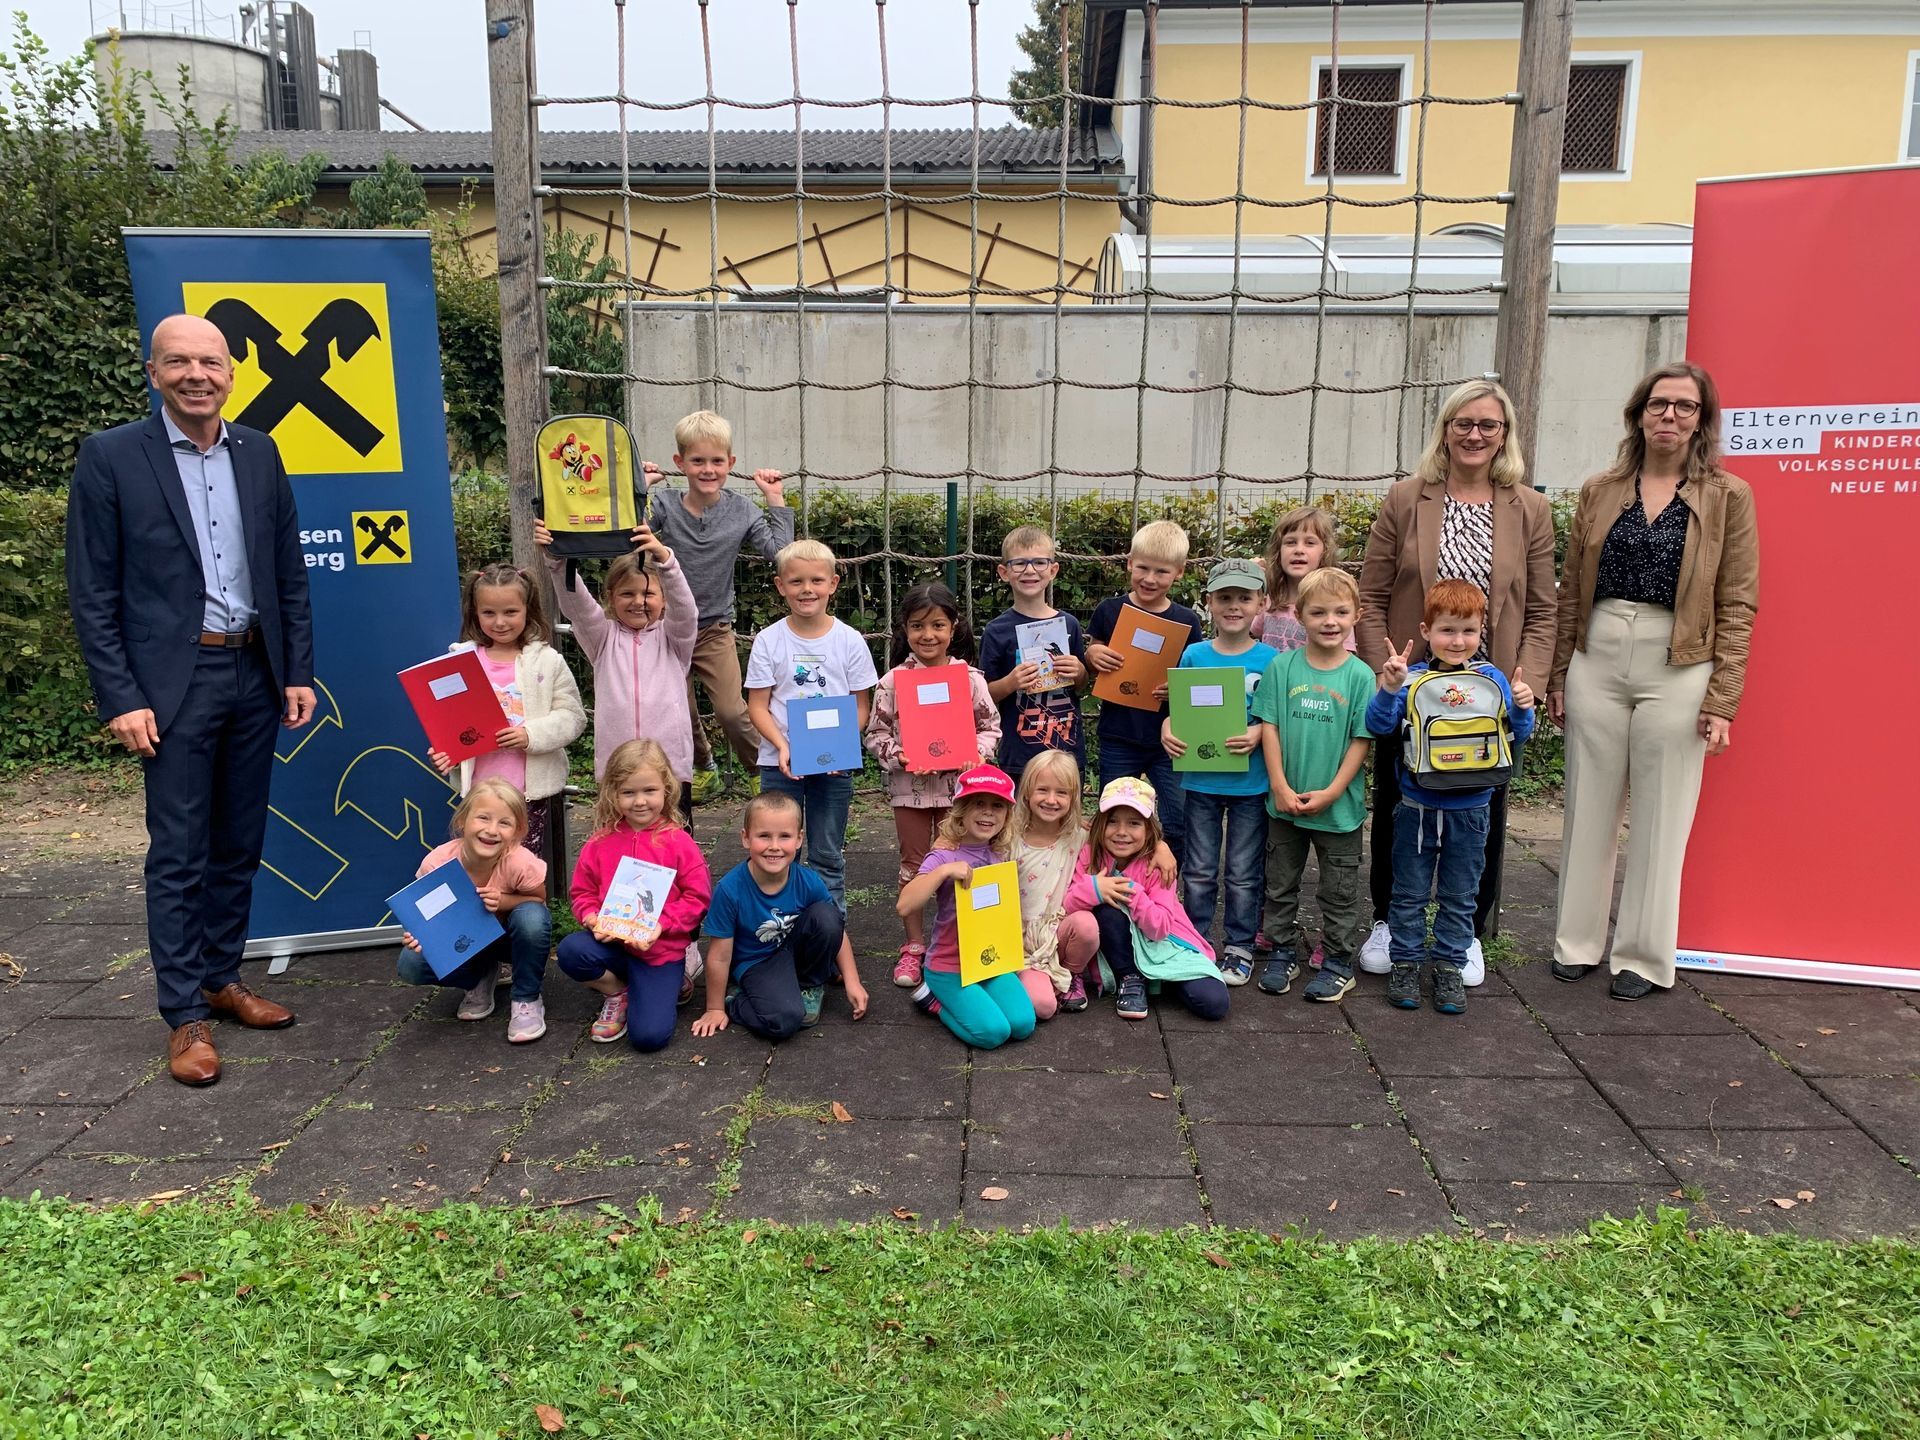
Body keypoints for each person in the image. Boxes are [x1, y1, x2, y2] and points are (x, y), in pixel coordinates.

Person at [65, 313, 316, 1088]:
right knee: (178, 852)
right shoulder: (112, 456)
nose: (196, 375)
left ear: (232, 373)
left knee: (238, 841)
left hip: (255, 673)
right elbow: (92, 589)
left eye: (210, 362)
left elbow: (287, 573)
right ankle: (183, 1014)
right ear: (154, 373)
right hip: (172, 685)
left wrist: (296, 671)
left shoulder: (260, 452)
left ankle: (219, 978)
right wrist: (120, 695)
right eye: (178, 362)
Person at [1547, 362, 1758, 1001]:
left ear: (1701, 420)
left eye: (1685, 406)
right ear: (1638, 414)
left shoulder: (1729, 496)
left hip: (1680, 660)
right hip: (1599, 652)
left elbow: (1738, 602)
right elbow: (1571, 588)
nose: (1670, 416)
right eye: (1659, 404)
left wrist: (1723, 698)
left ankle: (1642, 955)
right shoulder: (1601, 489)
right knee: (1588, 805)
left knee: (1663, 814)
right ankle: (1576, 942)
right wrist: (1559, 673)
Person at [1355, 379, 1557, 985]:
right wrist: (1387, 675)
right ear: (1445, 430)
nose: (1475, 434)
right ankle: (1390, 921)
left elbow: (1543, 611)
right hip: (1415, 684)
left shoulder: (1531, 508)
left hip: (1490, 691)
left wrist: (1526, 683)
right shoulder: (1405, 498)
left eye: (1488, 425)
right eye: (1463, 423)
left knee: (1481, 812)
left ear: (1504, 434)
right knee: (1399, 808)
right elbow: (1371, 596)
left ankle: (1463, 933)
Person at [1366, 579, 1536, 1016]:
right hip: (1417, 806)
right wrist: (1389, 688)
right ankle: (1406, 963)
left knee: (1461, 894)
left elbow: (1517, 735)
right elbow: (1380, 727)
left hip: (1473, 808)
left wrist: (1523, 707)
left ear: (1481, 632)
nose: (1457, 641)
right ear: (1426, 630)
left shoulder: (1492, 679)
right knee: (1408, 892)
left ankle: (1449, 966)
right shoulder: (1412, 679)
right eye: (1447, 630)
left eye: (1468, 631)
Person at [645, 409, 795, 800]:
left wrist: (774, 498)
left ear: (730, 463)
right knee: (678, 709)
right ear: (680, 463)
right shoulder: (664, 505)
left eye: (716, 461)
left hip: (713, 628)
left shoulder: (741, 510)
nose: (708, 470)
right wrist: (639, 491)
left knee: (731, 709)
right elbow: (630, 533)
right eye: (697, 461)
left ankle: (758, 767)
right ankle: (702, 767)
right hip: (665, 628)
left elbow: (781, 555)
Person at [863, 581, 1001, 988]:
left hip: (960, 793)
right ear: (905, 629)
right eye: (918, 626)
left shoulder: (969, 679)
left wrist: (976, 753)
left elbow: (991, 727)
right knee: (914, 864)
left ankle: (959, 942)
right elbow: (875, 734)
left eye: (938, 625)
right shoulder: (892, 682)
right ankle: (914, 946)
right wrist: (898, 755)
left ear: (953, 627)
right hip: (910, 791)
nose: (928, 635)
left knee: (961, 862)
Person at [1252, 567, 1377, 1002]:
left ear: (1356, 616)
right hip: (1284, 803)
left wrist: (1333, 791)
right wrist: (1279, 786)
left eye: (1340, 612)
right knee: (1279, 884)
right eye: (1319, 612)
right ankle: (1282, 952)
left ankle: (1339, 962)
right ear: (1300, 616)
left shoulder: (1360, 676)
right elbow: (1269, 727)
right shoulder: (1281, 667)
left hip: (1338, 809)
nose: (1330, 621)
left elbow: (1362, 740)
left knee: (1338, 891)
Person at [744, 538, 878, 911]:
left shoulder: (849, 641)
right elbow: (757, 706)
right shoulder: (769, 640)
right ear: (780, 585)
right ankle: (777, 928)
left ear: (833, 584)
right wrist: (783, 745)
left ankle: (828, 933)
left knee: (827, 855)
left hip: (833, 767)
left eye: (817, 580)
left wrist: (841, 747)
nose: (807, 589)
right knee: (776, 853)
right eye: (797, 581)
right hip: (780, 763)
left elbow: (860, 706)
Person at [1160, 558, 1277, 987]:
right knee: (1199, 868)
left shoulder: (1272, 659)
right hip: (1201, 780)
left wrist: (1259, 731)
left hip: (1251, 782)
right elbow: (1180, 709)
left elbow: (1276, 718)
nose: (1234, 606)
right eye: (1224, 597)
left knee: (1244, 872)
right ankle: (1195, 941)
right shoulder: (1195, 654)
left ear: (1261, 603)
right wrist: (1168, 727)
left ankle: (1240, 946)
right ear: (1209, 602)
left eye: (1244, 598)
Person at [556, 740, 713, 1052]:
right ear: (613, 793)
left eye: (649, 790)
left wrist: (662, 925)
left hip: (659, 952)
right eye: (628, 792)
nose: (640, 801)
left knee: (649, 1037)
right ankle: (618, 991)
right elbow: (582, 892)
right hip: (613, 945)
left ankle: (668, 981)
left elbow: (698, 898)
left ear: (666, 788)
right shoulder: (599, 842)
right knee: (571, 951)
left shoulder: (679, 843)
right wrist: (591, 917)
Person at [536, 517, 698, 816]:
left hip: (669, 769)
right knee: (616, 837)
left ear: (664, 599)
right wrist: (558, 560)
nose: (638, 601)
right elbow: (577, 606)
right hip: (616, 770)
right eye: (627, 594)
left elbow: (686, 610)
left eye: (648, 593)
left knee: (672, 838)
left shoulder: (675, 639)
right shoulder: (601, 638)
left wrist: (666, 562)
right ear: (610, 597)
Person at [428, 563, 585, 867]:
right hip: (478, 792)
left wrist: (530, 735)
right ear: (475, 612)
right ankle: (482, 901)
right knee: (478, 864)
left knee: (521, 865)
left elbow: (572, 716)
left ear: (528, 609)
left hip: (527, 793)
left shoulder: (547, 661)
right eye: (489, 613)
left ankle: (523, 900)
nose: (500, 622)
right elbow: (449, 722)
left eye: (510, 612)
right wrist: (447, 752)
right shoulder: (459, 659)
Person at [691, 791, 870, 1041]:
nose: (774, 846)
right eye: (764, 836)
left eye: (784, 836)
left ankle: (809, 985)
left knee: (827, 915)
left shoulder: (808, 881)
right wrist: (715, 1008)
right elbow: (719, 956)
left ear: (798, 839)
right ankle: (738, 1000)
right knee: (784, 1021)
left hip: (793, 953)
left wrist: (853, 981)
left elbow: (836, 931)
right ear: (746, 838)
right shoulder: (730, 890)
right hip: (756, 963)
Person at [395, 779, 554, 1043]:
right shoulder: (438, 863)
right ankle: (479, 976)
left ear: (517, 832)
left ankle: (526, 998)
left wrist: (503, 901)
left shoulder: (519, 861)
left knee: (532, 918)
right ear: (462, 821)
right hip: (465, 943)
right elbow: (424, 916)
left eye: (504, 823)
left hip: (509, 939)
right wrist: (417, 935)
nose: (492, 830)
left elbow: (538, 898)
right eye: (483, 818)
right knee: (411, 964)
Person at [1085, 520, 1206, 860]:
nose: (1150, 579)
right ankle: (1112, 876)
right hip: (1118, 734)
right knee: (1112, 814)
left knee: (1177, 818)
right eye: (1143, 568)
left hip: (1169, 740)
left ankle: (1169, 879)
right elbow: (1093, 652)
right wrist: (1093, 655)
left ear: (1179, 572)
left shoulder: (1187, 621)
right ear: (1129, 563)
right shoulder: (1110, 610)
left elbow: (1193, 673)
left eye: (1162, 571)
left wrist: (1178, 688)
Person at [1065, 778, 1230, 1024]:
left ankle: (1162, 978)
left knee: (1214, 1003)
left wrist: (1133, 892)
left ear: (1148, 829)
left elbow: (1160, 929)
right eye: (1112, 821)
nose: (1122, 832)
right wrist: (1094, 889)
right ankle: (1130, 977)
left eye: (1134, 823)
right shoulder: (1091, 854)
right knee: (1107, 908)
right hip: (1119, 946)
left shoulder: (1159, 863)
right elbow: (1067, 908)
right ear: (1100, 824)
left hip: (1164, 944)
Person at [896, 765, 1037, 1049]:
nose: (988, 813)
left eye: (997, 806)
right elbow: (905, 905)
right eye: (978, 803)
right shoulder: (944, 856)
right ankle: (933, 1002)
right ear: (961, 809)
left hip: (990, 962)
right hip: (950, 967)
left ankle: (971, 999)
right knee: (993, 1033)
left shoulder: (1000, 853)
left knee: (1023, 1024)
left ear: (1007, 815)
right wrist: (943, 872)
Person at [977, 526, 1089, 786]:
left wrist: (1079, 671)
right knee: (1019, 814)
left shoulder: (1069, 624)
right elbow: (983, 696)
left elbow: (1082, 686)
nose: (1030, 570)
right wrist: (1011, 682)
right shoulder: (996, 631)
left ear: (1053, 570)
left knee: (1064, 811)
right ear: (1004, 572)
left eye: (1039, 562)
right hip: (1019, 754)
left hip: (1066, 750)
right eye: (1019, 563)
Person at [1008, 751, 1103, 1016]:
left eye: (1061, 792)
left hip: (1057, 935)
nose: (1051, 800)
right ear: (1027, 792)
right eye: (1043, 790)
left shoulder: (1081, 837)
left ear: (1073, 797)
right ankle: (1031, 979)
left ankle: (1072, 974)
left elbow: (1125, 841)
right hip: (1018, 941)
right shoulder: (1008, 837)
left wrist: (1161, 847)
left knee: (1086, 925)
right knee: (1043, 1007)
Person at [1255, 505, 1348, 653]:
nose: (1299, 550)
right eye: (1290, 542)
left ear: (1324, 551)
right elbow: (1246, 634)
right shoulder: (1271, 599)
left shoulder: (1334, 605)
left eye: (1310, 543)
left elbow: (1343, 658)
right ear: (1279, 551)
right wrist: (1252, 581)